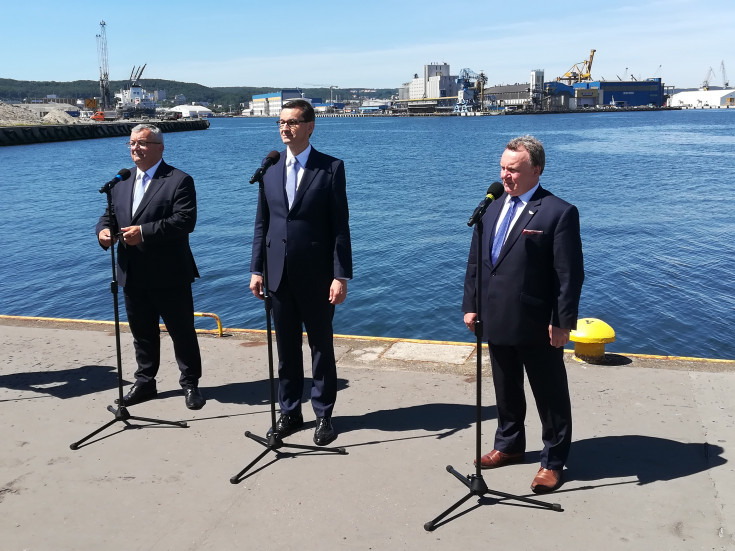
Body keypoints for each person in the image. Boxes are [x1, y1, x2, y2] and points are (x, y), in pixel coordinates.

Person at [462, 135, 584, 493]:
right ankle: (510, 444)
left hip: (537, 323)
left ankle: (554, 460)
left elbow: (569, 274)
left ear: (536, 170)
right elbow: (476, 263)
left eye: (513, 170)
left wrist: (562, 322)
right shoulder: (492, 206)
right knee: (506, 388)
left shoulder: (558, 211)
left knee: (549, 394)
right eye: (502, 168)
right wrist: (471, 305)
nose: (505, 176)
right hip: (494, 316)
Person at [250, 99, 352, 446]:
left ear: (309, 127)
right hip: (278, 274)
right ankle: (290, 410)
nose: (284, 128)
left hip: (318, 276)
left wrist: (341, 275)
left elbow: (340, 227)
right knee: (287, 348)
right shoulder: (271, 168)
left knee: (321, 347)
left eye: (292, 122)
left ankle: (324, 414)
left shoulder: (331, 168)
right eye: (281, 122)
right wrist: (256, 269)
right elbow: (262, 224)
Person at [96, 123, 205, 410]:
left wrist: (144, 232)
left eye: (142, 143)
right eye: (132, 143)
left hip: (170, 273)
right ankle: (145, 382)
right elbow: (109, 216)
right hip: (132, 272)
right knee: (141, 333)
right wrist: (103, 233)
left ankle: (190, 383)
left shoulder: (179, 180)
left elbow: (185, 221)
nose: (135, 148)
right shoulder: (121, 181)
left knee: (181, 331)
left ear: (159, 147)